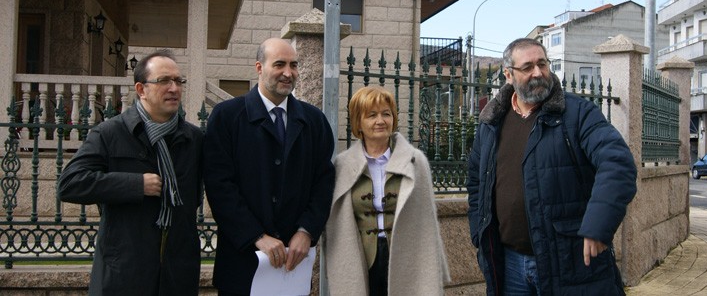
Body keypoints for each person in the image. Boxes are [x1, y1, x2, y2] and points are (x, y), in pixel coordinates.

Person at [467, 38, 637, 296]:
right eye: (527, 67)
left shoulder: (578, 113)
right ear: (508, 75)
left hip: (570, 261)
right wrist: (479, 233)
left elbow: (618, 164)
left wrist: (599, 225)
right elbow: (476, 182)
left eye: (542, 64)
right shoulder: (492, 122)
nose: (537, 73)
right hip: (509, 263)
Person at [58, 50, 203, 296]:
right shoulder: (110, 133)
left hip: (177, 274)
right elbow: (70, 183)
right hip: (123, 274)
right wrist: (135, 185)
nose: (174, 88)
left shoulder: (194, 138)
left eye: (179, 81)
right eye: (164, 81)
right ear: (141, 89)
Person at [203, 38, 335, 295]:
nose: (288, 73)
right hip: (241, 262)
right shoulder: (227, 117)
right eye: (280, 64)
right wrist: (256, 236)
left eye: (294, 65)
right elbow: (219, 185)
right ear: (259, 67)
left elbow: (324, 181)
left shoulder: (314, 121)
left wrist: (306, 231)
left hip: (293, 265)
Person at [325, 85, 450, 295]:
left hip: (405, 255)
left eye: (386, 114)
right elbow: (335, 220)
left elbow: (427, 221)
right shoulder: (343, 165)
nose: (380, 121)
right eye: (372, 115)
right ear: (358, 122)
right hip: (361, 257)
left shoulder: (415, 161)